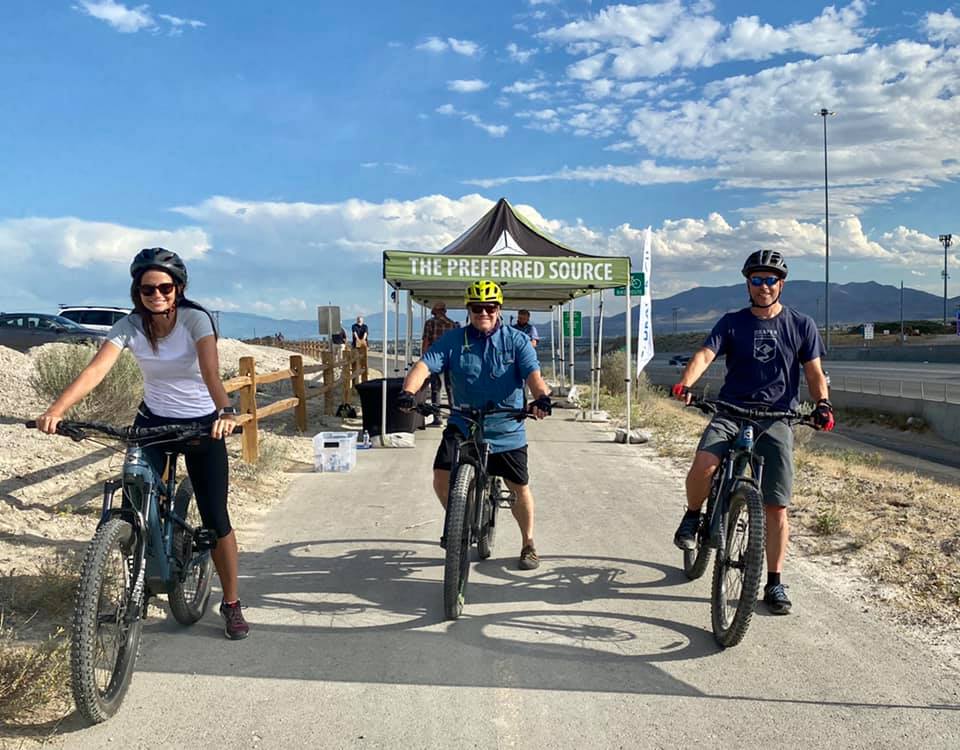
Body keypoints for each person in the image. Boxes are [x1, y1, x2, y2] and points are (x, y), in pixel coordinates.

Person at [35, 247, 250, 640]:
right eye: (147, 289)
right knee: (135, 497)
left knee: (215, 517)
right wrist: (56, 410)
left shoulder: (194, 320)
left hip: (202, 425)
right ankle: (140, 571)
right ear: (137, 291)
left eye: (165, 288)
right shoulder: (129, 326)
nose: (157, 296)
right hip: (152, 422)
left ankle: (232, 602)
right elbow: (96, 370)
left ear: (178, 288)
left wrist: (225, 412)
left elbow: (210, 372)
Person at [671, 250, 834, 615]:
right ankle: (694, 515)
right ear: (748, 283)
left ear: (781, 284)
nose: (764, 286)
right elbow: (705, 355)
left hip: (777, 417)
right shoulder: (731, 323)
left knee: (777, 507)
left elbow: (813, 372)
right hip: (731, 410)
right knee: (703, 466)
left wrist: (822, 403)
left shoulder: (801, 324)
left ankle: (774, 583)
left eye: (770, 280)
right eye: (757, 280)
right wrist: (685, 383)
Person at [398, 280, 553, 570]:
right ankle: (460, 520)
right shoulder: (455, 339)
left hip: (506, 425)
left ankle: (528, 543)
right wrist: (408, 391)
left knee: (519, 487)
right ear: (469, 310)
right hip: (464, 421)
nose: (484, 312)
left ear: (499, 309)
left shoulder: (516, 340)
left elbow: (534, 375)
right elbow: (425, 365)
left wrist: (541, 398)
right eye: (477, 307)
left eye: (490, 307)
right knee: (441, 477)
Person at [420, 301, 459, 422]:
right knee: (451, 388)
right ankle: (454, 415)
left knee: (436, 389)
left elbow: (426, 342)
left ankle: (437, 417)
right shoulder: (453, 324)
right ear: (445, 311)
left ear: (435, 311)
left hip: (434, 358)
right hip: (451, 359)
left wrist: (424, 360)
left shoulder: (430, 323)